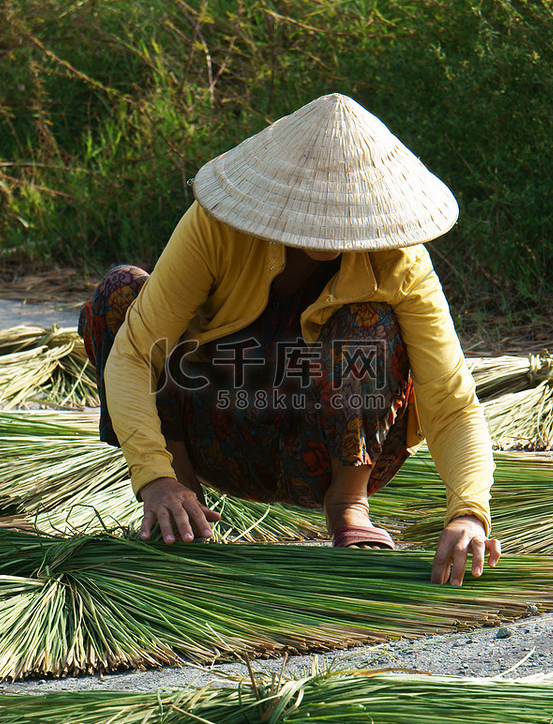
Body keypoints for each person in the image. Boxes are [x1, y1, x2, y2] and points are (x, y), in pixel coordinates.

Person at [79, 93, 501, 587]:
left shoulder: (398, 262)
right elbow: (133, 353)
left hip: (322, 450)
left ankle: (348, 504)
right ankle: (183, 506)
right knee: (121, 292)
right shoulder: (217, 229)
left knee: (372, 320)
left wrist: (469, 513)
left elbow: (451, 400)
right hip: (220, 428)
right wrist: (156, 477)